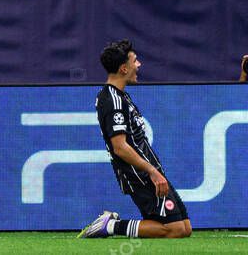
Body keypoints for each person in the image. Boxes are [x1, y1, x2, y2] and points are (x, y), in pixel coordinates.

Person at [78, 39, 192, 240]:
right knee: (174, 230)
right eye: (135, 61)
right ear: (123, 68)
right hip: (138, 174)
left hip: (149, 170)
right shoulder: (112, 100)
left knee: (184, 228)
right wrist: (151, 171)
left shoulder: (122, 96)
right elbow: (120, 147)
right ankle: (111, 226)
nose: (138, 65)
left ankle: (113, 225)